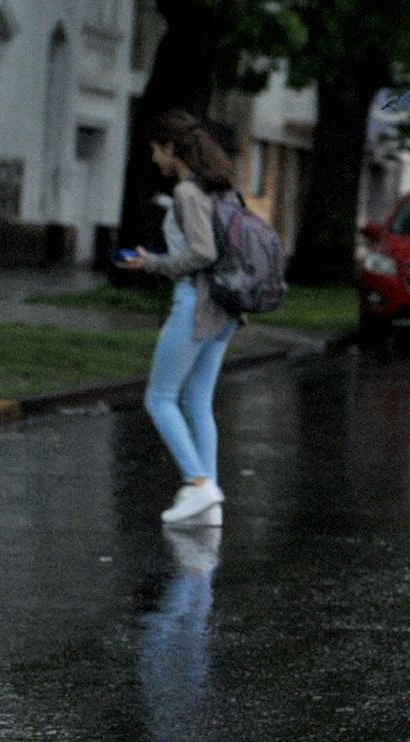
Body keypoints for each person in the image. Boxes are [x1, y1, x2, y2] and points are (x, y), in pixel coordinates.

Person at [116, 110, 241, 527]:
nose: (153, 157)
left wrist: (154, 264)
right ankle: (210, 507)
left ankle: (198, 482)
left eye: (156, 148)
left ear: (171, 147)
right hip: (226, 307)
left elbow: (202, 253)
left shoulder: (189, 192)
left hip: (195, 302)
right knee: (197, 400)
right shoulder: (221, 189)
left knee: (160, 397)